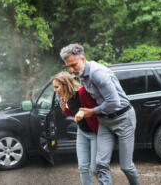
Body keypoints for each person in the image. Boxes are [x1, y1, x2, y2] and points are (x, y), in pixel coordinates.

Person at [60, 44, 140, 185]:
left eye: (74, 65)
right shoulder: (83, 75)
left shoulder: (97, 74)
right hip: (105, 120)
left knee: (126, 166)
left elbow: (114, 102)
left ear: (83, 59)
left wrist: (92, 112)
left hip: (123, 118)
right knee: (100, 164)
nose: (72, 70)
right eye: (69, 67)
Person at [52, 71, 99, 185]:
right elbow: (74, 114)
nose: (55, 90)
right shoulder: (66, 97)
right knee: (82, 167)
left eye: (56, 87)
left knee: (95, 169)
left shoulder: (82, 92)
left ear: (65, 85)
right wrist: (65, 110)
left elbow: (95, 110)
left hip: (95, 133)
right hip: (82, 132)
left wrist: (83, 113)